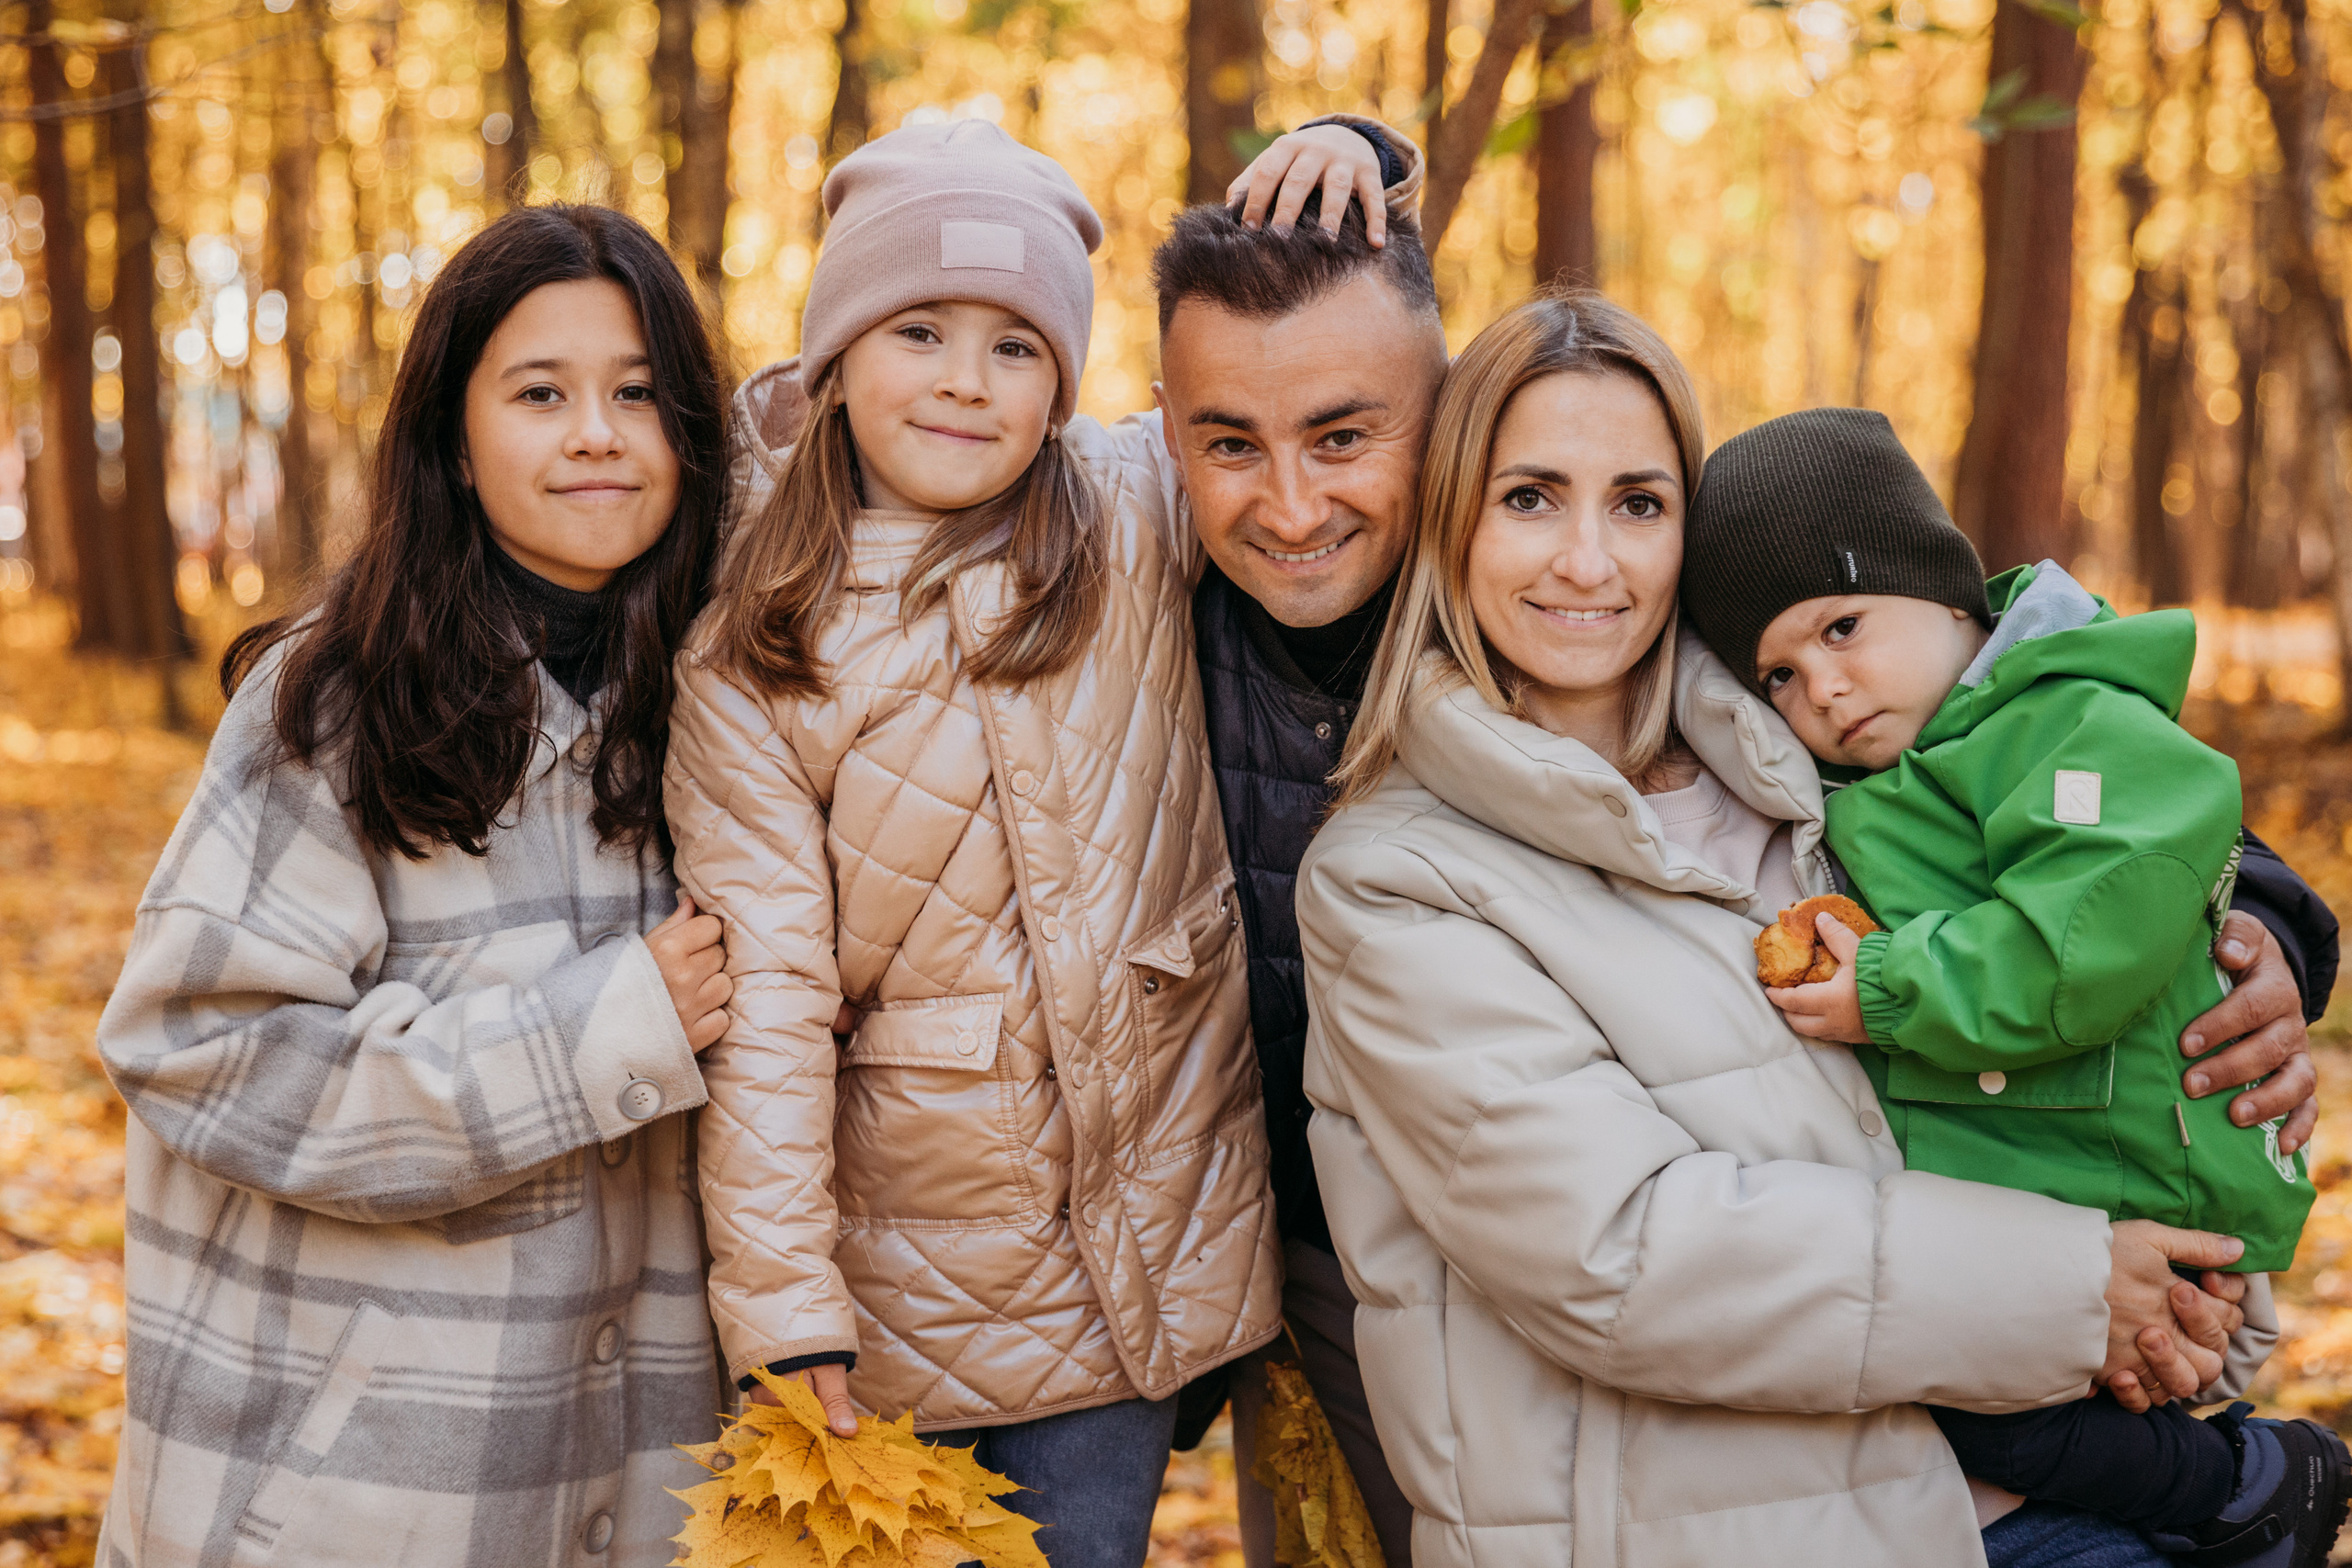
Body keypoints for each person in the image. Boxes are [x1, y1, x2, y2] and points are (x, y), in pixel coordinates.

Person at [1148, 130, 2336, 1568]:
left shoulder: (1798, 734)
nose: (1588, 559)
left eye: (1638, 504)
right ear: (1458, 507)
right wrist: (2081, 1283)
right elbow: (1628, 1249)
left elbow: (2047, 742)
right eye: (1529, 498)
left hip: (2008, 1463)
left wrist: (2264, 920)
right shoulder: (1392, 871)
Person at [662, 120, 1282, 1568]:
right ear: (836, 355)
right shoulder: (756, 642)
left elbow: (1322, 406)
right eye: (920, 329)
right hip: (896, 1290)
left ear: (1064, 380)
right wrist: (786, 1301)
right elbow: (764, 1001)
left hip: (1133, 1270)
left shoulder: (1132, 511)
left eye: (1017, 346)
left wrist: (1355, 173)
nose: (963, 379)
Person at [94, 206, 734, 1566]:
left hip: (640, 1468)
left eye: (638, 393)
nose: (597, 434)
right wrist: (594, 1034)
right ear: (452, 432)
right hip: (362, 1493)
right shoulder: (338, 698)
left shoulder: (721, 698)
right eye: (540, 393)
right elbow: (199, 1047)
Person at [1683, 407, 2345, 1565]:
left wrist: (1885, 985)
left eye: (1843, 628)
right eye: (1779, 674)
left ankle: (2248, 1491)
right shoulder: (1898, 766)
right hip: (2035, 1189)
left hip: (2131, 1163)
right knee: (1973, 1397)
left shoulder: (2066, 721)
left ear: (1950, 595)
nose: (1822, 690)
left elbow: (2081, 936)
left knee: (2011, 1413)